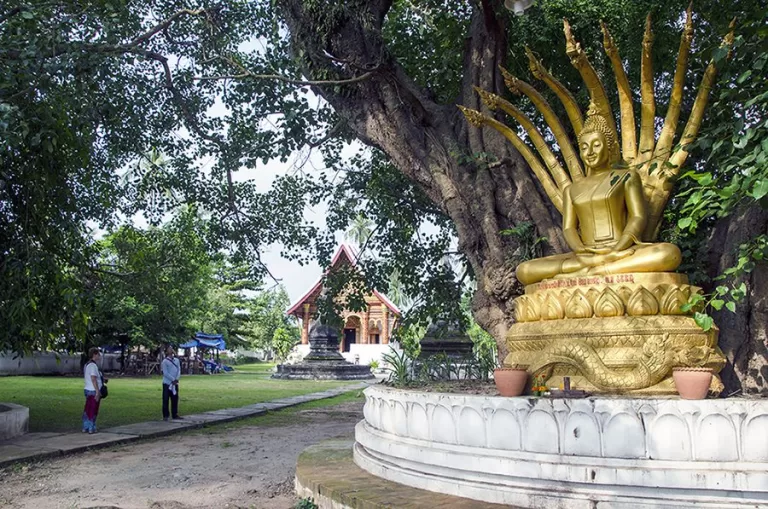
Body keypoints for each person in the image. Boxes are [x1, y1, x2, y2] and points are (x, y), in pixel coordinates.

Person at [82, 347, 103, 434]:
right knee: (93, 409)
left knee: (88, 409)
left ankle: (85, 426)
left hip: (87, 388)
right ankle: (91, 427)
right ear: (94, 354)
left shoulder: (87, 364)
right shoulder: (93, 366)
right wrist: (97, 391)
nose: (99, 355)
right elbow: (93, 378)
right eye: (98, 354)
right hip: (93, 390)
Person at [161, 345, 182, 421]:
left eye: (171, 348)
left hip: (175, 383)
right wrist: (172, 379)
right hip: (167, 383)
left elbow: (179, 370)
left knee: (175, 399)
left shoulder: (176, 360)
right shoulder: (165, 361)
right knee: (165, 399)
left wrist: (176, 379)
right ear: (166, 351)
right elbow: (165, 373)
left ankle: (175, 414)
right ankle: (165, 415)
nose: (171, 350)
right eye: (169, 349)